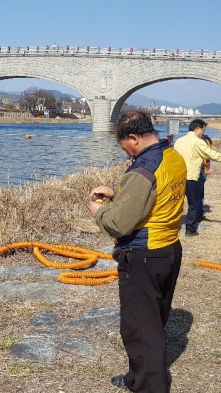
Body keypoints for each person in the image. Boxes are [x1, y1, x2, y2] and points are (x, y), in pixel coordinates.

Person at [87, 111, 186, 393]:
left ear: (133, 138)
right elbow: (157, 199)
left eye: (123, 146)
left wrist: (100, 211)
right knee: (153, 321)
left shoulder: (143, 168)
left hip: (143, 256)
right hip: (168, 249)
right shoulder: (171, 155)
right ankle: (137, 377)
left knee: (140, 329)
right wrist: (118, 197)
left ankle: (149, 387)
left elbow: (118, 224)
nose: (125, 151)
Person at [173, 119, 221, 237]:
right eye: (203, 130)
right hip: (191, 176)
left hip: (177, 176)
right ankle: (190, 229)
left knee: (177, 202)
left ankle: (172, 226)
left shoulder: (179, 141)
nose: (203, 132)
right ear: (197, 129)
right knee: (193, 203)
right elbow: (212, 155)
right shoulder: (198, 142)